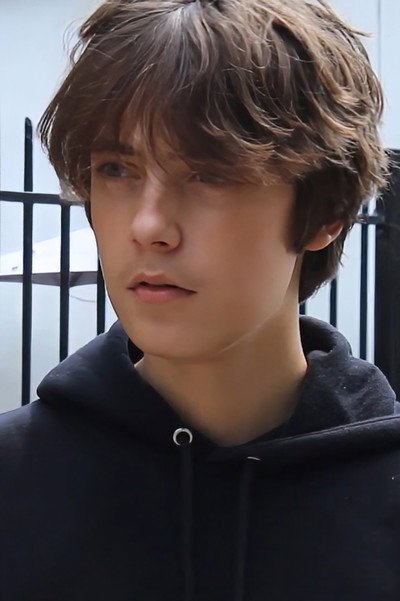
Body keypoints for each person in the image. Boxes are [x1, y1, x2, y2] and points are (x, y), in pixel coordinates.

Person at [1, 0, 399, 599]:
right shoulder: (15, 481)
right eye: (116, 169)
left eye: (209, 173)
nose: (148, 225)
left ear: (328, 213)